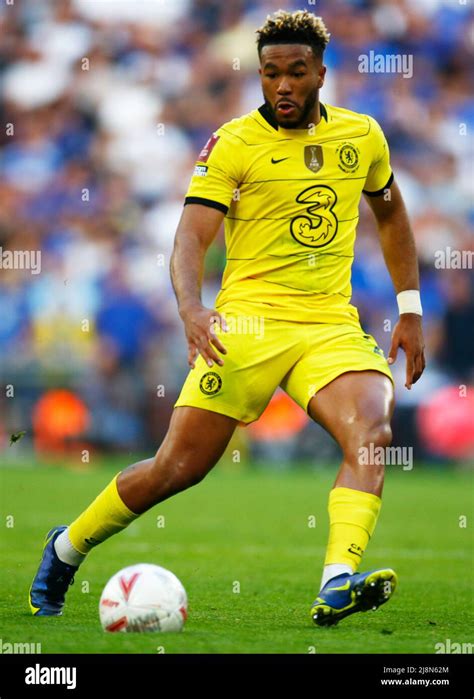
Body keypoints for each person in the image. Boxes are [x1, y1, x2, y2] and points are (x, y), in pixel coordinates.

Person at [30, 9, 425, 627]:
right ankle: (65, 547)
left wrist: (409, 307)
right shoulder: (234, 142)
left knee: (370, 434)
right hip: (245, 324)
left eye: (297, 73)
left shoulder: (363, 136)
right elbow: (191, 237)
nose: (284, 86)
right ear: (259, 76)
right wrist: (191, 307)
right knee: (176, 469)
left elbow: (392, 213)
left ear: (321, 73)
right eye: (271, 74)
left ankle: (336, 580)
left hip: (328, 324)